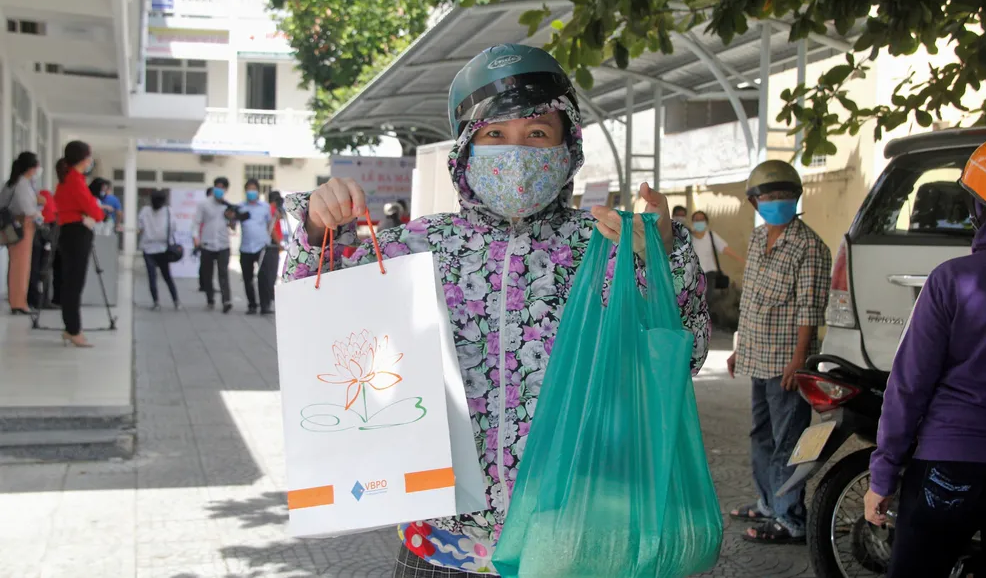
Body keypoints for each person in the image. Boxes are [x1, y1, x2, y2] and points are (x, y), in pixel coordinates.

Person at [282, 44, 711, 576]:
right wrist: (320, 230)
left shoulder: (606, 245)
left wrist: (664, 261)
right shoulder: (414, 249)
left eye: (537, 133)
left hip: (573, 549)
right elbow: (311, 322)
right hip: (441, 554)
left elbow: (683, 358)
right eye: (495, 135)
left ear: (567, 147)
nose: (517, 151)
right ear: (465, 150)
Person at [864, 136, 986, 577]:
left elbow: (909, 385)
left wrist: (883, 476)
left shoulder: (951, 281)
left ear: (976, 208)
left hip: (948, 464)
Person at [726, 160, 832, 544]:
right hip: (758, 354)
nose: (777, 202)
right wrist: (740, 347)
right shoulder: (757, 240)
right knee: (761, 434)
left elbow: (809, 310)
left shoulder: (809, 247)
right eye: (768, 196)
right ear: (754, 202)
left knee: (788, 441)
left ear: (797, 197)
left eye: (784, 195)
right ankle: (768, 503)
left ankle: (790, 518)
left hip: (787, 362)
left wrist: (799, 360)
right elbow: (750, 300)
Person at [54, 141, 108, 347]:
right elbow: (95, 211)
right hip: (77, 234)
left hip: (69, 232)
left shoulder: (66, 179)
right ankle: (73, 329)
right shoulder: (76, 181)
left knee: (71, 282)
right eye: (89, 156)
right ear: (83, 158)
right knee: (74, 284)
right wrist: (96, 214)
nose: (90, 160)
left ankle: (72, 327)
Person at [1, 152, 42, 314]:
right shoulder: (23, 184)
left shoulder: (11, 183)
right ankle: (19, 303)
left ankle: (16, 300)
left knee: (15, 263)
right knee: (22, 265)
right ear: (31, 168)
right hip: (23, 225)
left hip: (11, 225)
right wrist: (38, 213)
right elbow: (27, 209)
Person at [193, 177, 235, 313]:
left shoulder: (228, 205)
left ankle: (226, 300)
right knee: (207, 274)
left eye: (222, 187)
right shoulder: (204, 204)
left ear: (226, 190)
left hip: (223, 244)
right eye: (217, 186)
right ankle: (210, 299)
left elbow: (233, 226)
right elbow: (196, 222)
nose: (219, 189)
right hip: (207, 244)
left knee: (223, 273)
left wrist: (231, 218)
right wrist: (195, 238)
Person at [137, 189, 180, 311]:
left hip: (148, 248)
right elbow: (174, 228)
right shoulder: (168, 211)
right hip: (163, 248)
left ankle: (156, 302)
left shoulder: (145, 211)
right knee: (167, 276)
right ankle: (176, 301)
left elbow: (140, 228)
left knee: (152, 276)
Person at [236, 179, 272, 315]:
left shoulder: (265, 207)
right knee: (247, 278)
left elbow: (269, 224)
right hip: (245, 247)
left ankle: (265, 305)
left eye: (253, 189)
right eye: (248, 189)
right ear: (245, 191)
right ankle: (252, 305)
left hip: (261, 247)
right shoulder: (240, 207)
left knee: (264, 277)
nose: (251, 192)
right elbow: (233, 224)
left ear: (257, 191)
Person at [257, 190, 288, 316]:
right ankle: (268, 300)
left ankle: (265, 304)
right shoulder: (272, 210)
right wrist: (279, 243)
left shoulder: (268, 209)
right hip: (270, 247)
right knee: (269, 276)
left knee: (265, 276)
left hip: (268, 246)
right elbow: (272, 228)